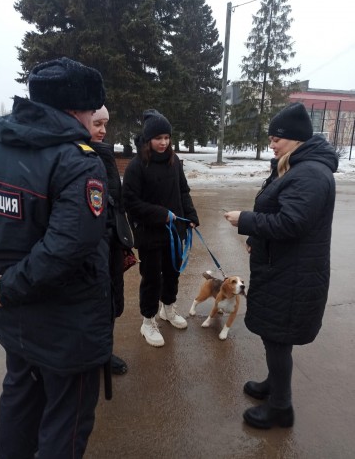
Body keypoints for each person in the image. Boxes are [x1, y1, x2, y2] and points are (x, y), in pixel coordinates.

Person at [0, 57, 113, 458]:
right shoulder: (78, 161)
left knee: (19, 397)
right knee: (65, 421)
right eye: (91, 111)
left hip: (13, 317)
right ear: (74, 110)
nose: (93, 119)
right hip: (65, 327)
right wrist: (6, 286)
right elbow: (68, 247)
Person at [224, 102, 338, 429]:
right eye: (271, 138)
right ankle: (274, 387)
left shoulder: (310, 173)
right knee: (275, 337)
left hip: (294, 276)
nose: (271, 144)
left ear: (296, 138)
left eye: (277, 138)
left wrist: (246, 221)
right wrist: (257, 239)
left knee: (277, 338)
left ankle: (281, 408)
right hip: (283, 268)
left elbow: (291, 223)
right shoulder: (293, 167)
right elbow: (282, 215)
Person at [122, 109, 199, 347]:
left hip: (175, 231)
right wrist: (160, 215)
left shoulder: (174, 162)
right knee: (152, 278)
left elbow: (183, 190)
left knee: (173, 273)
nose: (164, 142)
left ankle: (168, 308)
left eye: (167, 137)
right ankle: (148, 321)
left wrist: (191, 215)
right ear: (148, 140)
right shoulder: (136, 166)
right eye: (158, 138)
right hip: (150, 233)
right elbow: (130, 202)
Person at [86, 105, 130, 375]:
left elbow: (117, 200)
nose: (103, 130)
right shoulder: (75, 156)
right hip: (89, 247)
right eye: (97, 124)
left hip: (112, 242)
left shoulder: (105, 153)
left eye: (106, 124)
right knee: (91, 303)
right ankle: (90, 357)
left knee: (112, 299)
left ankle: (104, 352)